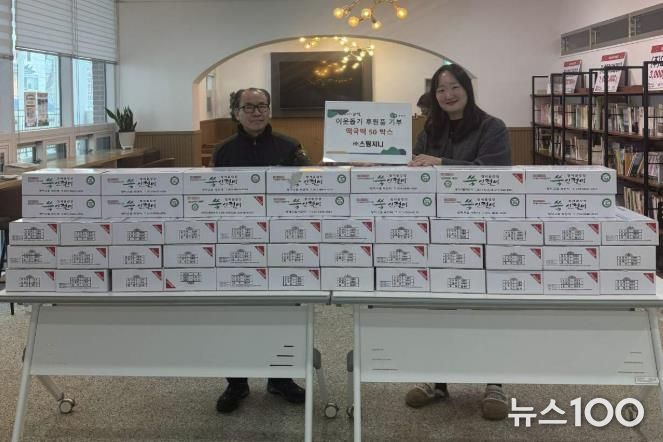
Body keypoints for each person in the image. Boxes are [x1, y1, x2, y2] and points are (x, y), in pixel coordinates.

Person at [407, 64, 511, 420]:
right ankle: (437, 381)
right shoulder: (430, 129)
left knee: (486, 309)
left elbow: (495, 174)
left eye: (454, 87)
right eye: (440, 89)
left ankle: (494, 384)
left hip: (484, 232)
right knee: (439, 308)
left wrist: (441, 163)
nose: (448, 94)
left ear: (467, 88)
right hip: (437, 231)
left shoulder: (492, 126)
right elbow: (416, 170)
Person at [212, 87, 310, 413]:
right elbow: (213, 199)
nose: (257, 112)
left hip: (282, 244)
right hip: (236, 245)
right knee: (235, 316)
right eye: (249, 107)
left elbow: (307, 192)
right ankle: (236, 383)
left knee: (283, 313)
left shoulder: (290, 146)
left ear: (269, 110)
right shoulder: (223, 151)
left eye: (262, 106)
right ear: (236, 113)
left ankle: (280, 379)